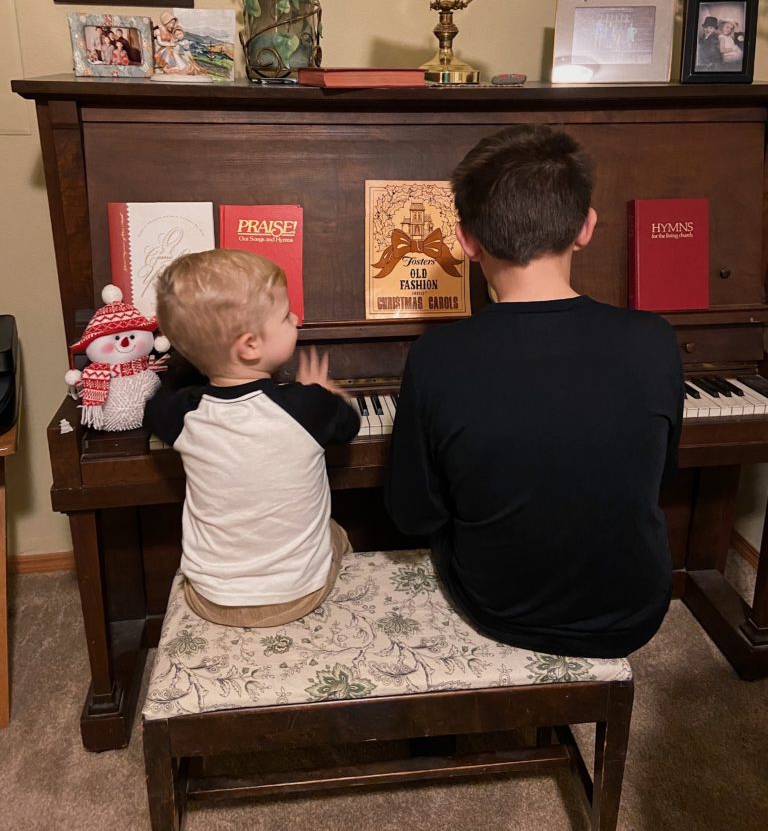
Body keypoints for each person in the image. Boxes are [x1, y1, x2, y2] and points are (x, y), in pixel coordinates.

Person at [385, 124, 683, 659]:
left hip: (500, 609)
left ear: (466, 240)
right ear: (585, 227)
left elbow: (415, 514)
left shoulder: (436, 355)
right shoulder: (655, 338)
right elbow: (657, 476)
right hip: (634, 611)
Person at [144, 249, 360, 627]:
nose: (296, 318)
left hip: (210, 597)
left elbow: (154, 407)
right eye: (286, 316)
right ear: (249, 346)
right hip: (298, 595)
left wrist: (192, 361)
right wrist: (325, 391)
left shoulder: (185, 413)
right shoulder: (308, 406)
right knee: (335, 531)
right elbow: (350, 423)